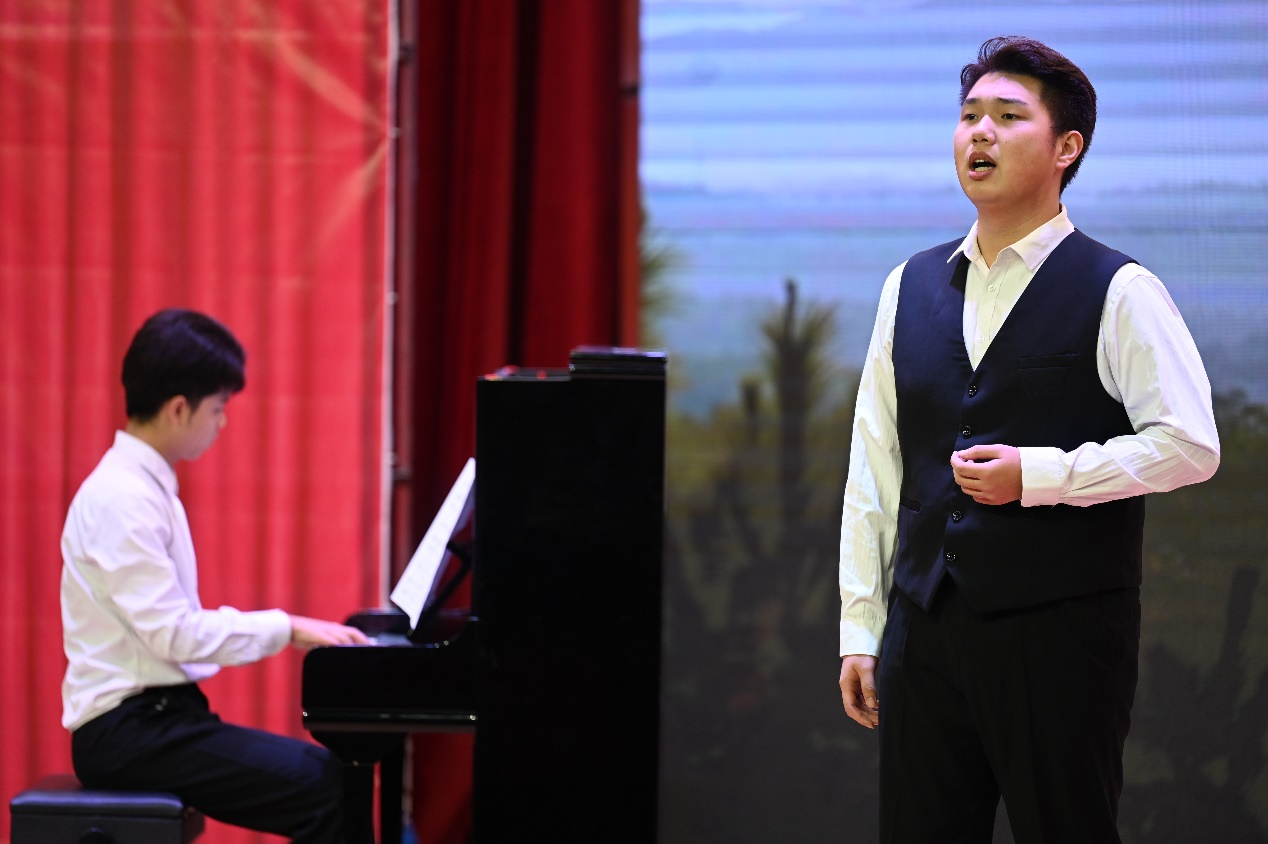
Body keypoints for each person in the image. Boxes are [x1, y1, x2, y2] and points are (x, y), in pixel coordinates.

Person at [836, 36, 1221, 843]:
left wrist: (1043, 475)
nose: (980, 132)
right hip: (924, 627)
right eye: (969, 115)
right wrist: (861, 630)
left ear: (1066, 147)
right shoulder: (908, 285)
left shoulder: (1120, 289)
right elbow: (875, 466)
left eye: (1008, 116)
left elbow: (1191, 443)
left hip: (1062, 635)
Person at [61, 308, 370, 844]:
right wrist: (287, 627)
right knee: (327, 789)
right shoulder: (122, 498)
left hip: (159, 720)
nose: (222, 423)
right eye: (218, 408)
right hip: (128, 732)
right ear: (179, 409)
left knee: (331, 779)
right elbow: (173, 633)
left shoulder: (144, 487)